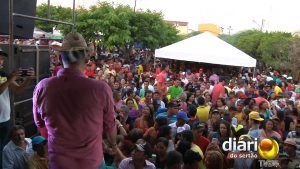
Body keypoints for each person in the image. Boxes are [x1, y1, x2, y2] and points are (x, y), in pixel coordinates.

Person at [32, 33, 117, 169]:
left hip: (58, 163)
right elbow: (110, 125)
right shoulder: (101, 89)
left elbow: (40, 124)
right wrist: (113, 145)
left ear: (60, 57)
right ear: (86, 58)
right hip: (92, 163)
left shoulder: (43, 87)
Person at [0, 48, 35, 168]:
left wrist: (28, 79)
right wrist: (10, 79)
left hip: (5, 119)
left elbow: (18, 89)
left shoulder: (3, 75)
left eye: (1, 57)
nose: (1, 60)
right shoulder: (6, 77)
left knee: (5, 149)